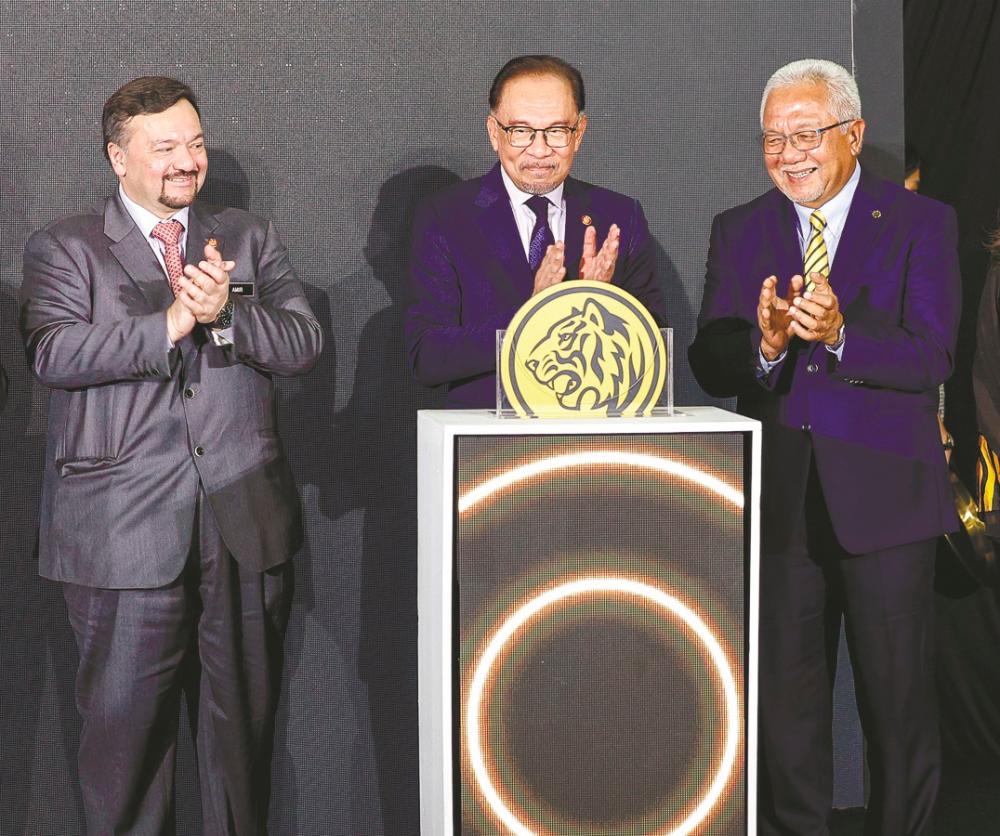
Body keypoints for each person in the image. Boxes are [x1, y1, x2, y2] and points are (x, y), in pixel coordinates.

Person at [20, 76, 323, 834]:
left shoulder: (249, 235)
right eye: (164, 148)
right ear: (117, 157)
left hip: (241, 525)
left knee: (240, 754)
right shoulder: (65, 245)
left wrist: (228, 314)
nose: (187, 161)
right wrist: (171, 324)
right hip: (121, 534)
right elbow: (53, 352)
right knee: (124, 756)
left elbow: (303, 344)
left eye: (194, 143)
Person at [689, 59, 960, 835]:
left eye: (805, 133)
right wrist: (764, 349)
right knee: (787, 712)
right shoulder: (739, 228)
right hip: (781, 509)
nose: (787, 153)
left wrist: (842, 337)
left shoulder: (921, 224)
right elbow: (710, 358)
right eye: (772, 137)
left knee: (899, 710)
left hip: (889, 506)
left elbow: (931, 356)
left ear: (854, 134)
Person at [405, 54, 666, 407]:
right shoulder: (446, 217)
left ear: (580, 133)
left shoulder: (619, 216)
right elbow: (428, 357)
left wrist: (601, 307)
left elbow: (654, 349)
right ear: (494, 133)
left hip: (596, 437)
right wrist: (534, 313)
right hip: (486, 443)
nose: (540, 150)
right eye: (521, 132)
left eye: (557, 131)